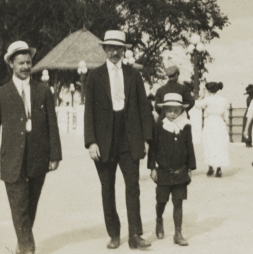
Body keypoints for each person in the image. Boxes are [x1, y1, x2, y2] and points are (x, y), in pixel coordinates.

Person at [0, 41, 62, 254]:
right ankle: (27, 248)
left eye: (28, 62)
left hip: (38, 156)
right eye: (21, 63)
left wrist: (55, 154)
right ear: (11, 64)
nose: (26, 66)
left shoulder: (43, 91)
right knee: (19, 207)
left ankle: (22, 242)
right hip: (12, 158)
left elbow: (52, 124)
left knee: (30, 206)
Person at [83, 30, 154, 250]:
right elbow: (89, 113)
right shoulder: (94, 76)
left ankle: (134, 235)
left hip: (129, 138)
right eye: (111, 48)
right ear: (104, 49)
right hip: (103, 141)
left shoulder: (134, 75)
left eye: (119, 48)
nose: (115, 52)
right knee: (108, 188)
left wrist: (146, 138)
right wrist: (91, 141)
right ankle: (114, 233)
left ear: (124, 50)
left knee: (133, 186)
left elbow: (144, 107)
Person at [148, 92, 196, 247]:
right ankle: (159, 219)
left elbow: (189, 147)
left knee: (178, 202)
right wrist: (152, 168)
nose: (173, 114)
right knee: (161, 200)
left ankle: (178, 232)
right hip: (163, 171)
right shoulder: (159, 126)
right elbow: (153, 149)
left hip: (180, 171)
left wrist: (189, 167)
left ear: (181, 110)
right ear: (164, 110)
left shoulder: (186, 126)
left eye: (176, 110)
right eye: (169, 110)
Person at [195, 81, 230, 177]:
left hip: (210, 122)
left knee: (209, 144)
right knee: (219, 145)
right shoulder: (224, 100)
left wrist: (202, 95)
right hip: (219, 123)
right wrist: (225, 121)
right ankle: (218, 169)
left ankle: (210, 167)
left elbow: (196, 104)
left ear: (208, 90)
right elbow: (226, 115)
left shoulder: (208, 99)